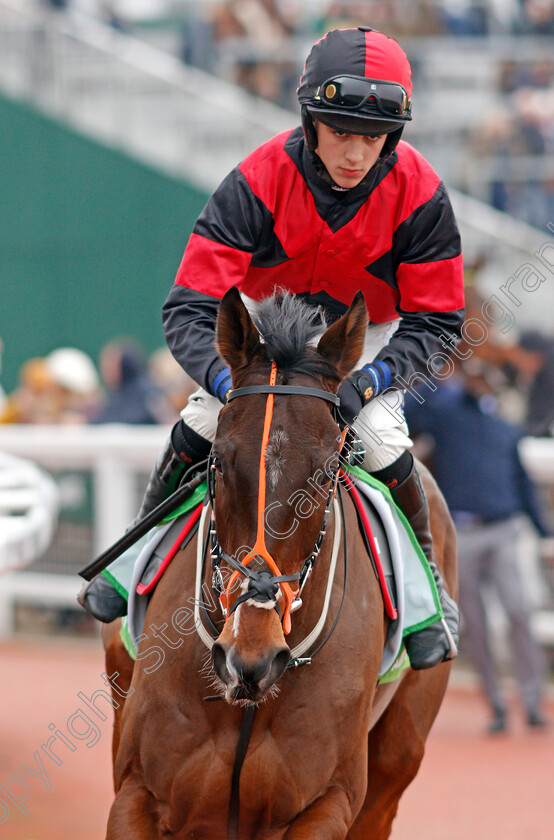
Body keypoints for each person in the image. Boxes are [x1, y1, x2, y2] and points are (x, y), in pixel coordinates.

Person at [81, 26, 465, 670]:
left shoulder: (422, 194)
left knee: (382, 441)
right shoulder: (258, 177)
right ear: (312, 121)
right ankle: (127, 562)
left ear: (391, 138)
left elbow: (439, 321)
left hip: (363, 335)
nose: (354, 153)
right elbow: (192, 306)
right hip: (267, 323)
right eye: (340, 131)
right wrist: (229, 381)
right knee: (203, 420)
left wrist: (372, 381)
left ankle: (427, 595)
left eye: (371, 138)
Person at [405, 359, 550, 731]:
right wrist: (448, 376)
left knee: (519, 612)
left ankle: (532, 701)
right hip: (463, 533)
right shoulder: (450, 416)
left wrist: (545, 532)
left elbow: (523, 486)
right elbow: (412, 411)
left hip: (503, 530)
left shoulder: (505, 429)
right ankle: (497, 704)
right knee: (475, 626)